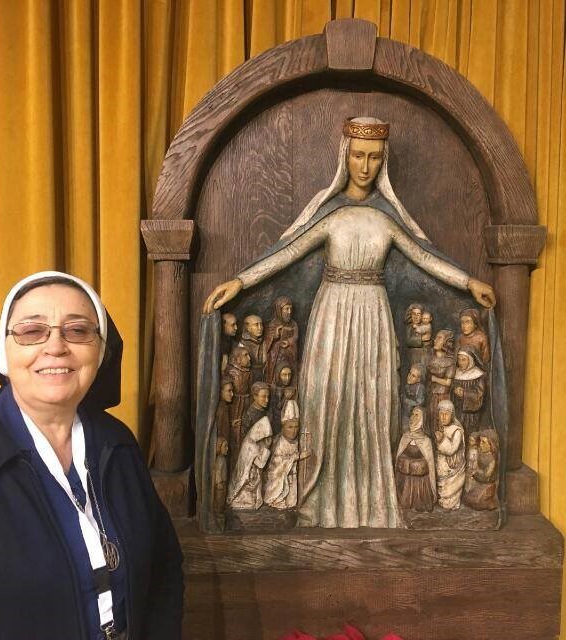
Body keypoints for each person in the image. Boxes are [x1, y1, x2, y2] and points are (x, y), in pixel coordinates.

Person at [203, 116, 495, 529]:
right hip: (333, 314)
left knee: (371, 403)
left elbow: (424, 257)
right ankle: (320, 501)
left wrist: (468, 282)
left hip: (372, 315)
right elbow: (286, 252)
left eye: (374, 158)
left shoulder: (387, 218)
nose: (365, 166)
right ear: (345, 155)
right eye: (358, 155)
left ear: (383, 161)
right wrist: (240, 282)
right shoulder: (331, 213)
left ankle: (369, 503)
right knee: (327, 400)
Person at [0, 271, 183, 639]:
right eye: (32, 331)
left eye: (77, 331)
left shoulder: (118, 443)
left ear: (100, 351)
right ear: (4, 351)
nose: (56, 346)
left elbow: (163, 568)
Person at [395, 407, 436, 512]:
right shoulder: (405, 437)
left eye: (417, 415)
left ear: (423, 420)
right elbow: (399, 457)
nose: (413, 418)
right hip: (405, 478)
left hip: (420, 481)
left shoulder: (426, 441)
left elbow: (429, 463)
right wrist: (406, 463)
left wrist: (417, 464)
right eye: (412, 414)